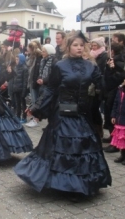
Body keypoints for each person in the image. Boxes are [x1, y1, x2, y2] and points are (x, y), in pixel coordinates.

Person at [14, 31, 111, 199]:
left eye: (82, 45)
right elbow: (51, 89)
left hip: (82, 114)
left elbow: (102, 85)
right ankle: (63, 184)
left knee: (81, 148)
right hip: (63, 113)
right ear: (68, 47)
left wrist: (110, 70)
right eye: (75, 45)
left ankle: (78, 185)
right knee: (63, 147)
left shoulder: (90, 66)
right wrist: (37, 108)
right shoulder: (60, 65)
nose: (79, 48)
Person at [90, 37, 108, 139]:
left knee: (95, 109)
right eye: (92, 45)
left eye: (95, 45)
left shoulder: (104, 55)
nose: (93, 47)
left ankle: (99, 131)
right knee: (91, 109)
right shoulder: (92, 55)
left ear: (100, 46)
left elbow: (101, 71)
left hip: (98, 85)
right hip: (91, 85)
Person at [25, 40, 42, 127]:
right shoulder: (32, 57)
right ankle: (35, 117)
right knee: (34, 100)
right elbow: (27, 64)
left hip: (35, 82)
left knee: (36, 101)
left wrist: (35, 82)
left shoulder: (38, 57)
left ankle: (36, 119)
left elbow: (36, 71)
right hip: (32, 81)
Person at [12, 53, 29, 124]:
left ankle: (24, 117)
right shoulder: (16, 67)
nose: (16, 61)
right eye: (16, 59)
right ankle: (18, 115)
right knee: (17, 103)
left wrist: (24, 91)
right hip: (16, 89)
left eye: (17, 59)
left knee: (23, 104)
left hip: (21, 89)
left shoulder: (24, 68)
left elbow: (25, 81)